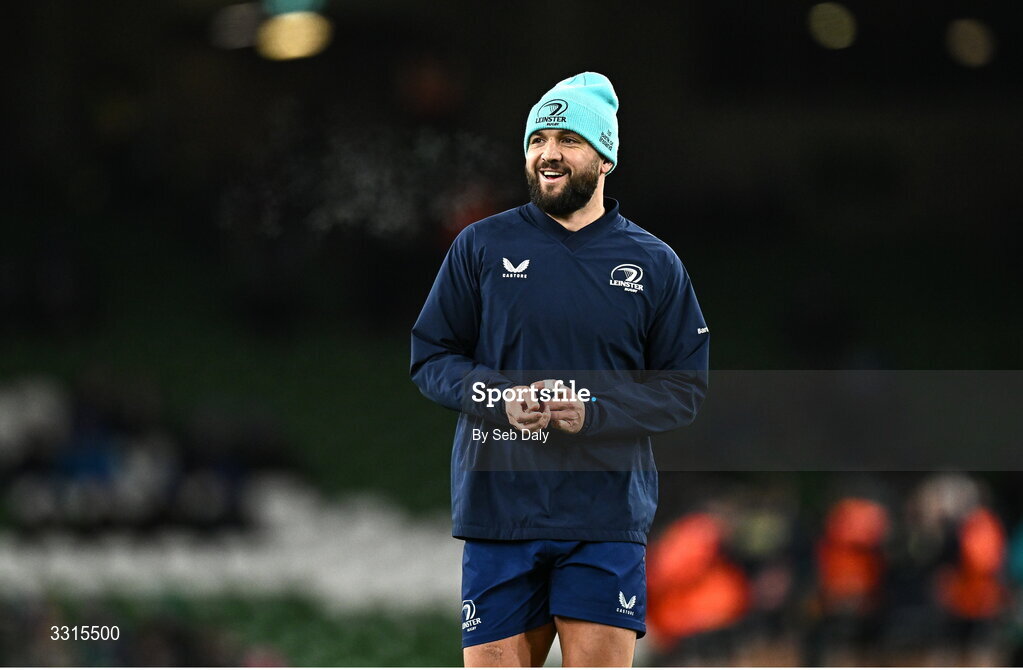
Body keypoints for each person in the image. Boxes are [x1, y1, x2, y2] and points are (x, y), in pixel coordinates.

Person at [411, 72, 709, 667]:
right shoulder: (479, 247)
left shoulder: (654, 263)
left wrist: (592, 412)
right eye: (537, 139)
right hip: (500, 509)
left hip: (603, 514)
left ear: (605, 157)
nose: (548, 153)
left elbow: (684, 386)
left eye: (568, 139)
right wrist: (499, 398)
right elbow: (431, 357)